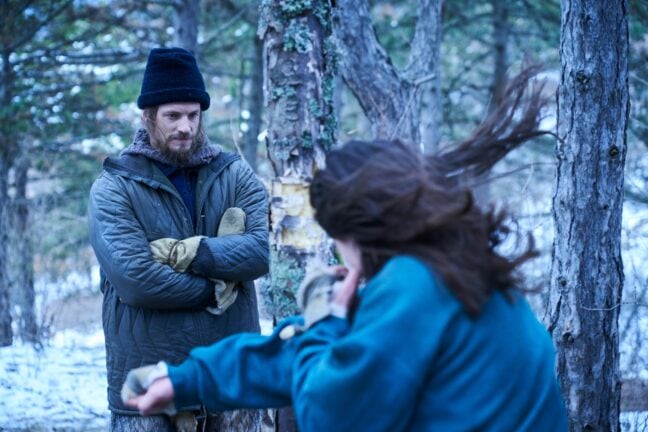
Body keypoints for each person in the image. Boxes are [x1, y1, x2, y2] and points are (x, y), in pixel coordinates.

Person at [123, 70, 568, 431]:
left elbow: (329, 412)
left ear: (357, 233)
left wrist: (327, 320)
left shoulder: (416, 287)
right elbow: (319, 358)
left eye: (335, 238)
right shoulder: (452, 265)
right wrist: (187, 379)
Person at [88, 47, 269, 432]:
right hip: (148, 380)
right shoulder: (114, 186)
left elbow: (261, 251)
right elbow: (137, 279)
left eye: (193, 114)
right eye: (172, 116)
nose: (185, 127)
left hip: (231, 377)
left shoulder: (234, 174)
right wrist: (218, 287)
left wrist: (196, 252)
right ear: (148, 116)